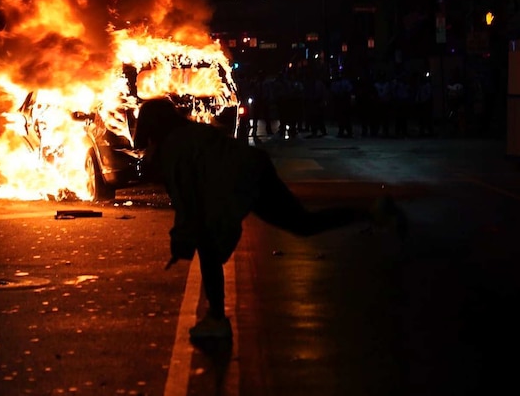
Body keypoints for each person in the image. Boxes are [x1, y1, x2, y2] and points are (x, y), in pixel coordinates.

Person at [133, 97, 407, 343]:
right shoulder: (189, 132)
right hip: (254, 168)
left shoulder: (173, 151)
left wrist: (181, 241)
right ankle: (372, 212)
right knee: (302, 223)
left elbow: (189, 203)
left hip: (243, 181)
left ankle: (217, 320)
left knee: (208, 247)